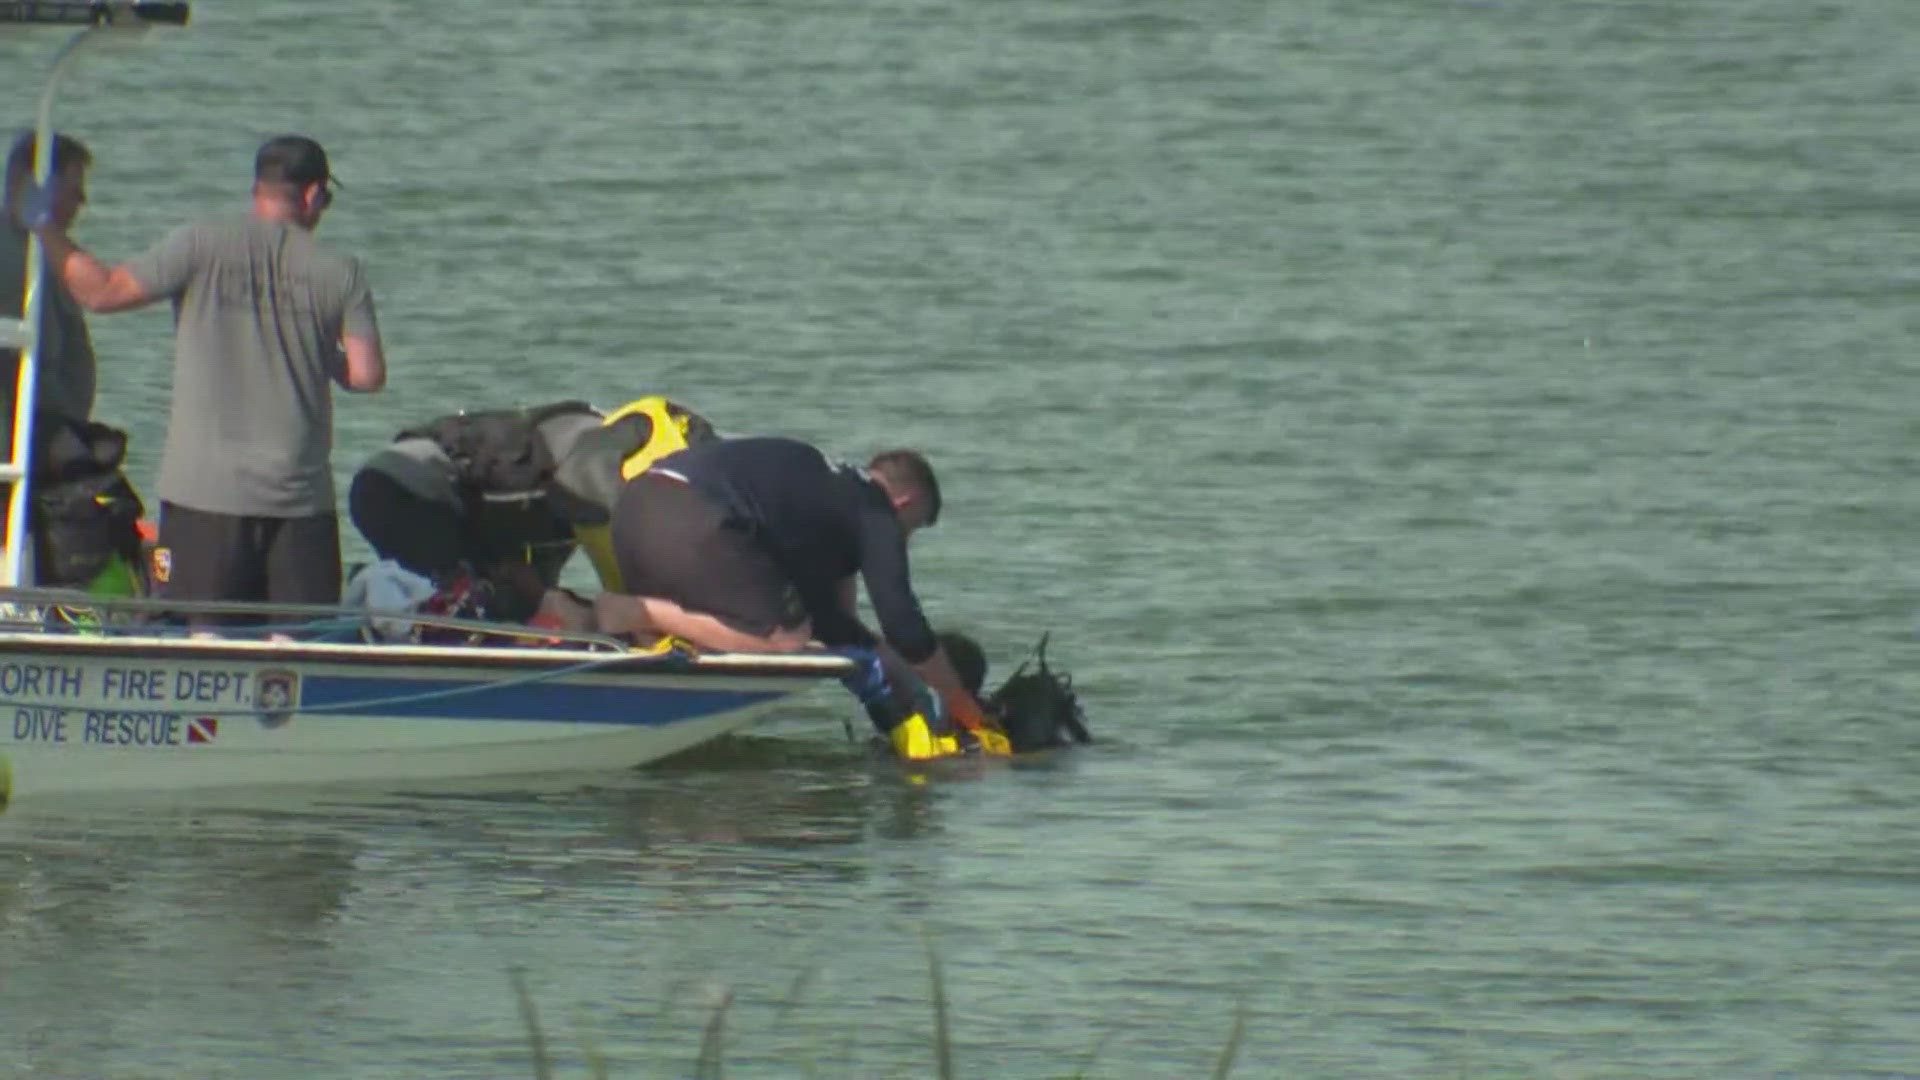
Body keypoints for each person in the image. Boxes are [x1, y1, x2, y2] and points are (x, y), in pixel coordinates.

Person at [19, 134, 387, 617]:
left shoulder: (198, 244)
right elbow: (366, 375)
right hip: (298, 500)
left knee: (195, 630)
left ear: (259, 188)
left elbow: (104, 292)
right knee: (297, 642)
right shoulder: (342, 271)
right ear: (313, 195)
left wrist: (42, 226)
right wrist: (321, 350)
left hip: (198, 499)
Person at [596, 436, 1003, 755]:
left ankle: (609, 633)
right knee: (783, 640)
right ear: (905, 501)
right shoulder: (874, 509)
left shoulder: (823, 493)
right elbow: (902, 622)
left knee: (742, 631)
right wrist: (963, 706)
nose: (902, 542)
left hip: (635, 509)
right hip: (691, 519)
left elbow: (835, 624)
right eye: (910, 530)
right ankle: (637, 612)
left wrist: (896, 677)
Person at [347, 395, 715, 619]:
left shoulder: (572, 488)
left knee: (510, 606)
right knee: (471, 608)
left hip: (401, 489)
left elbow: (538, 581)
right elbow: (619, 565)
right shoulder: (598, 462)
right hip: (403, 492)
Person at [2, 130, 97, 428]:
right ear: (32, 185)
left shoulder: (49, 254)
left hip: (54, 430)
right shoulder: (8, 250)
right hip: (25, 431)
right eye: (73, 191)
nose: (81, 204)